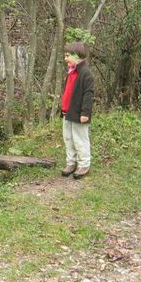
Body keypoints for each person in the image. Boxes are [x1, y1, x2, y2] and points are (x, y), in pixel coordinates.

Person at [60, 42, 94, 179]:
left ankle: (84, 164)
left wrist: (85, 113)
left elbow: (88, 94)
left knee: (80, 140)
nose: (65, 59)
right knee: (68, 138)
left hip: (79, 114)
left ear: (77, 56)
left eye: (67, 56)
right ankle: (71, 162)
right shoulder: (71, 72)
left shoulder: (86, 74)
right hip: (67, 112)